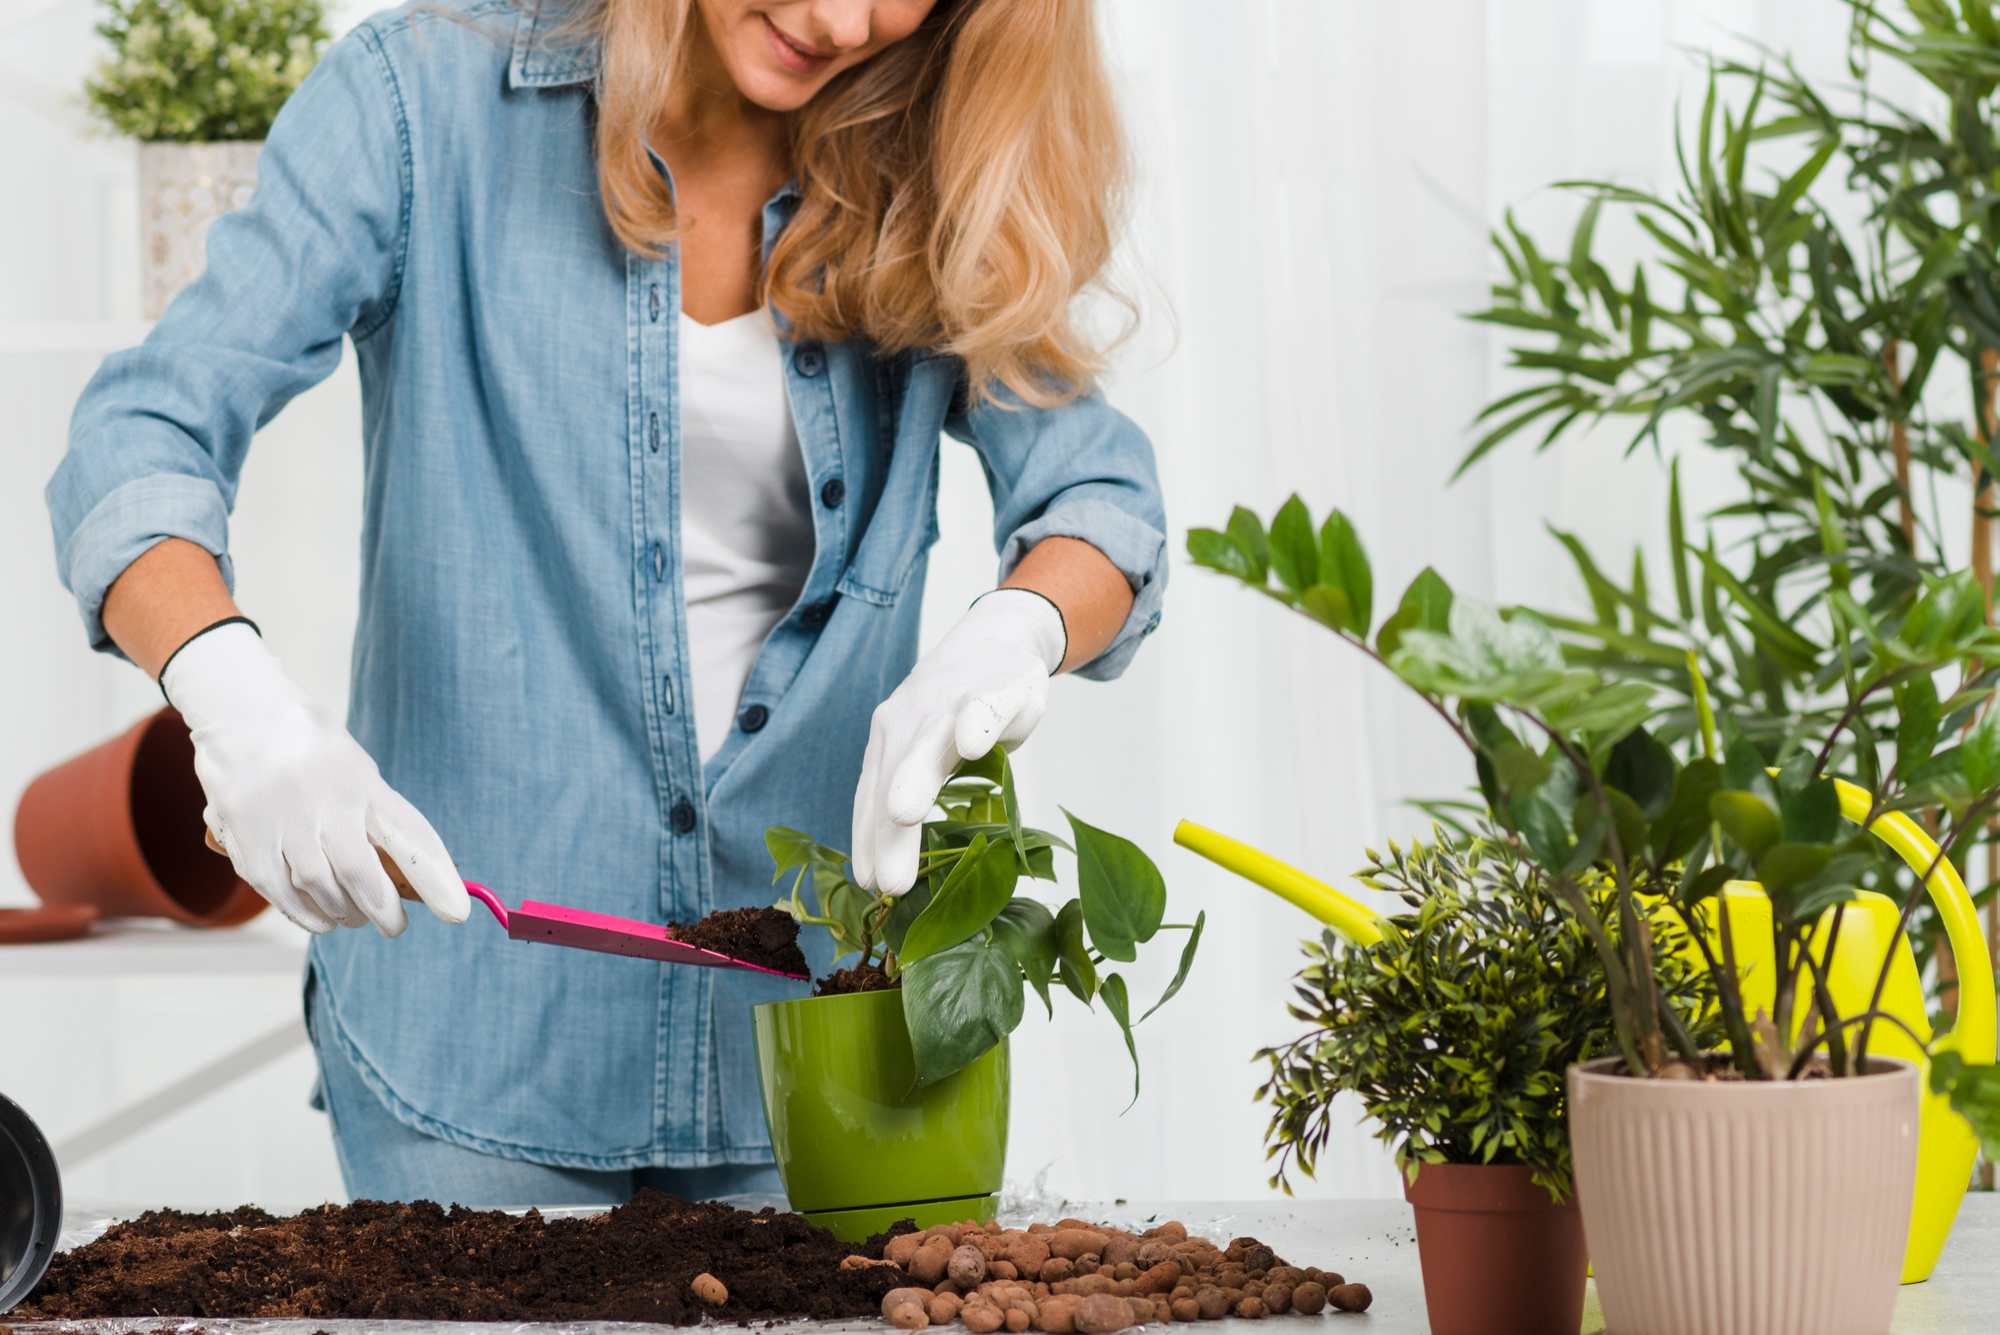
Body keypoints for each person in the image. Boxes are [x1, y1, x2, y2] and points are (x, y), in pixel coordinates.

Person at [48, 0, 1164, 1206]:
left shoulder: (931, 160)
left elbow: (1098, 497)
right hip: (472, 1055)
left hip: (818, 1053)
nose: (840, 21)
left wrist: (1017, 629)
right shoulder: (421, 98)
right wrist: (232, 695)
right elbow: (142, 433)